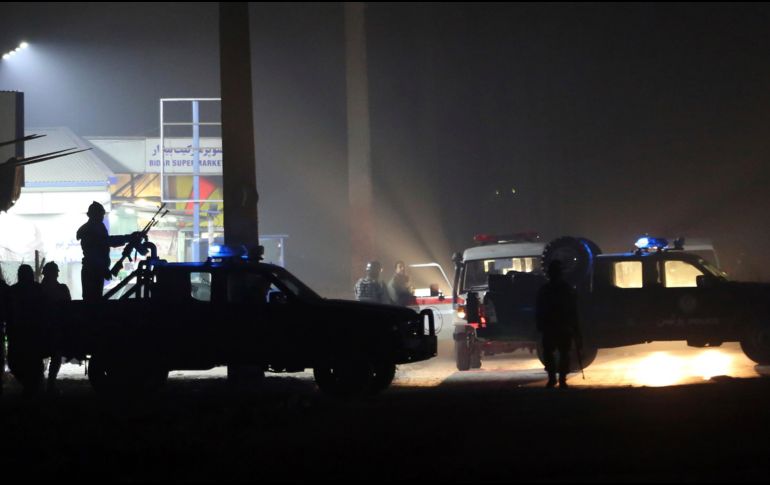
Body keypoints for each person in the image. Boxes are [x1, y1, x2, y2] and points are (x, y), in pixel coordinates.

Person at [76, 201, 138, 301]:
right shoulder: (92, 229)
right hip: (93, 271)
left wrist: (128, 238)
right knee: (93, 301)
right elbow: (107, 242)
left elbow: (106, 242)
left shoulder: (95, 227)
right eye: (101, 214)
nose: (102, 217)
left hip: (94, 270)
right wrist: (128, 238)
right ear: (94, 215)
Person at [535, 260, 582, 389]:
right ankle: (560, 379)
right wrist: (576, 329)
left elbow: (539, 308)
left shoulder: (546, 289)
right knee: (562, 353)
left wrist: (540, 325)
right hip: (561, 326)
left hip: (553, 326)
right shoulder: (566, 289)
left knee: (553, 353)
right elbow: (573, 309)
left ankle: (554, 379)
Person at [7, 264, 45, 396]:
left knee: (16, 362)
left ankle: (30, 386)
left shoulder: (13, 291)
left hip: (19, 333)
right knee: (33, 362)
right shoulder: (37, 289)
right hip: (32, 333)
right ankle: (32, 387)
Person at [40, 261, 71, 394]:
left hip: (43, 327)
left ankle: (44, 384)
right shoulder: (61, 289)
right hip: (55, 327)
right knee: (56, 355)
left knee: (47, 356)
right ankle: (50, 384)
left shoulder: (40, 290)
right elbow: (68, 306)